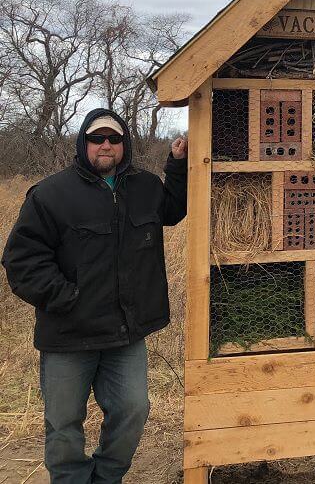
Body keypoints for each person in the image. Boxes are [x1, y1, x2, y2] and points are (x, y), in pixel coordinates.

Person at [2, 108, 188, 484]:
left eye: (114, 139)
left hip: (125, 332)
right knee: (65, 422)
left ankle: (106, 477)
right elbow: (22, 259)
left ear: (125, 144)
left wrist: (179, 163)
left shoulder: (145, 187)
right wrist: (66, 297)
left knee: (133, 410)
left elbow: (173, 209)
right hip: (68, 334)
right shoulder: (51, 194)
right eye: (97, 138)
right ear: (83, 141)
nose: (106, 145)